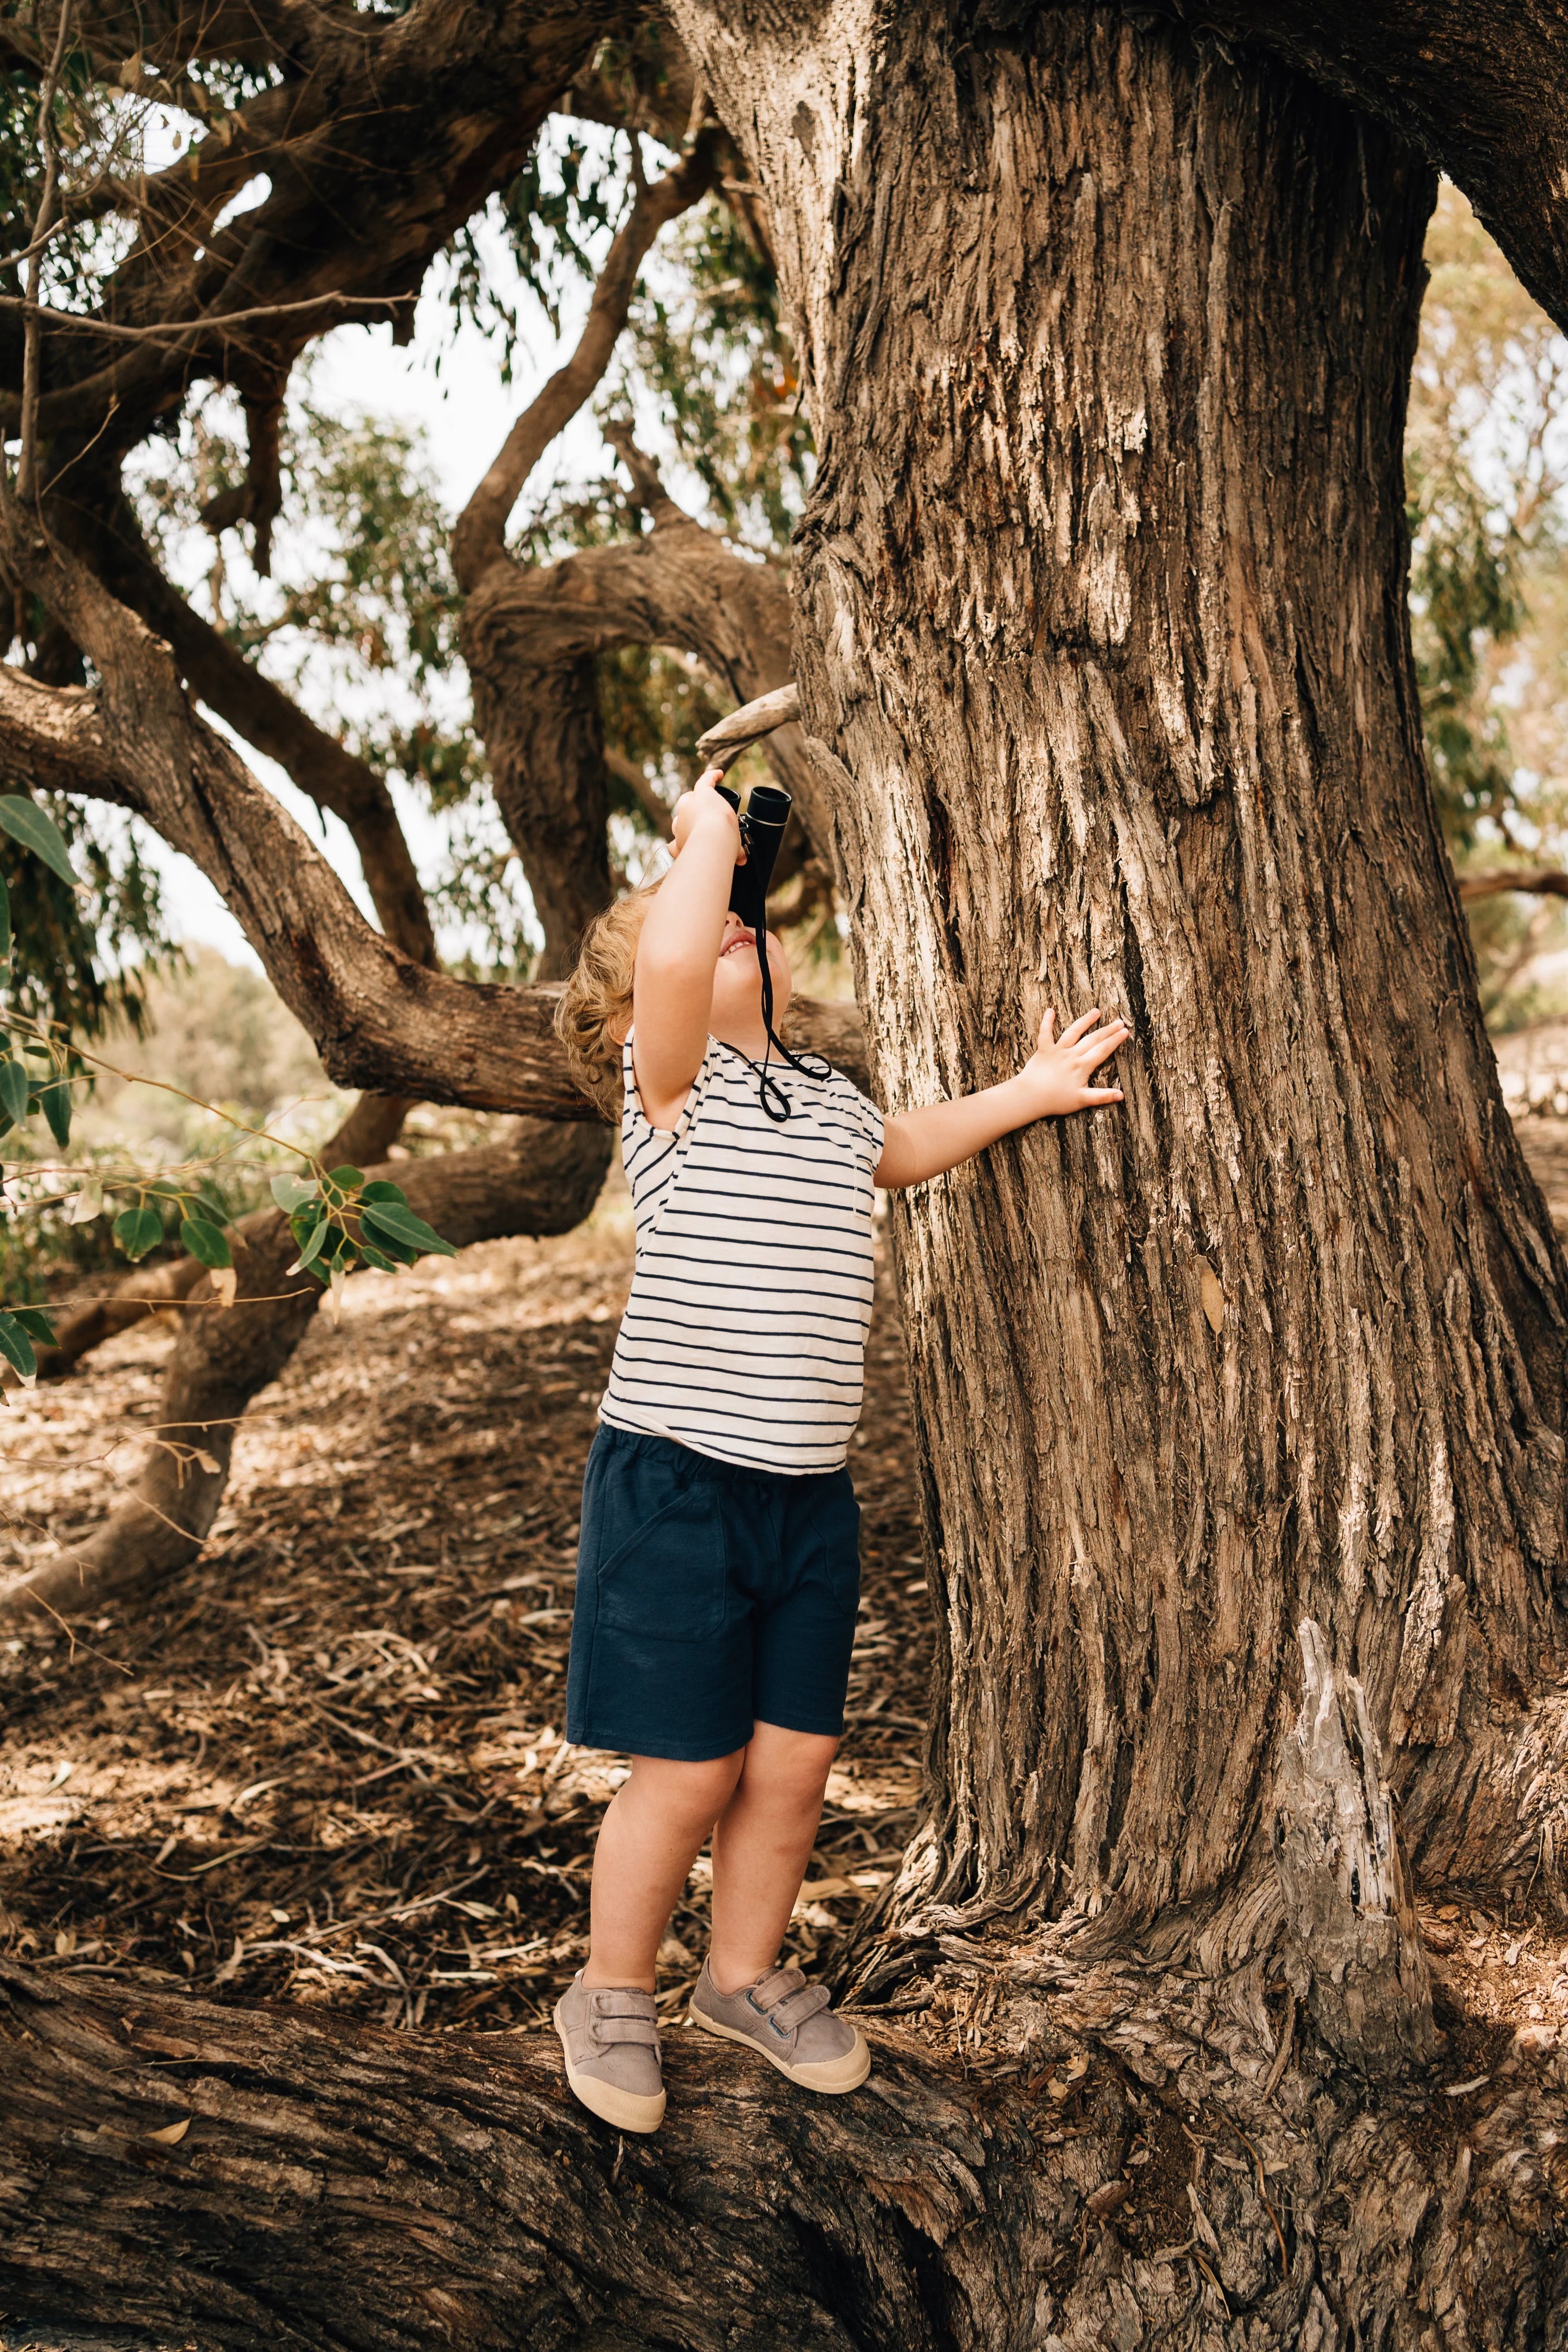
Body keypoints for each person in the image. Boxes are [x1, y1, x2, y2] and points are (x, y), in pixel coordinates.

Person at [549, 766, 1129, 2132]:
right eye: (696, 925)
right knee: (686, 1772)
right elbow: (686, 947)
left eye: (742, 911)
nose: (727, 922)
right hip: (680, 1487)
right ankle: (612, 1987)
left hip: (806, 1498)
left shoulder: (821, 1093)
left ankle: (738, 1977)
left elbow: (910, 1145)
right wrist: (703, 841)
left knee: (794, 1762)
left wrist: (1031, 1090)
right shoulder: (668, 1088)